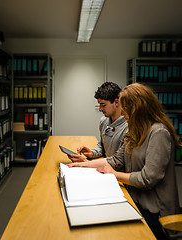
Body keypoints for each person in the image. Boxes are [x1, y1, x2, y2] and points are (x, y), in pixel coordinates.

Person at [67, 83, 181, 240]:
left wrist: (114, 175)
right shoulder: (135, 130)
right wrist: (80, 164)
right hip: (134, 198)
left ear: (138, 108)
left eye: (126, 108)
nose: (123, 113)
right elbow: (115, 160)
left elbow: (147, 178)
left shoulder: (159, 133)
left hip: (155, 211)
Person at [69, 82, 128, 162]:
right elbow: (102, 145)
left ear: (116, 102)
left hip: (117, 171)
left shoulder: (128, 127)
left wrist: (87, 163)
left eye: (103, 105)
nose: (100, 109)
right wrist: (93, 153)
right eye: (99, 105)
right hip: (106, 165)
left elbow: (119, 162)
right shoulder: (104, 121)